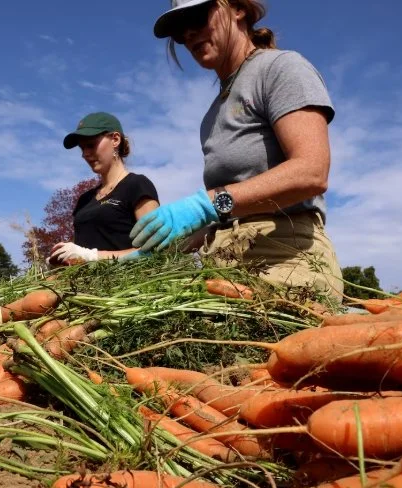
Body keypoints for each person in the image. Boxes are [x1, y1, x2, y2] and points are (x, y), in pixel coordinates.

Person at [131, 0, 343, 300]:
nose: (189, 34)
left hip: (287, 260)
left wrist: (205, 204)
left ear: (237, 9)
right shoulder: (212, 115)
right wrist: (160, 247)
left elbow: (311, 172)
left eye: (197, 16)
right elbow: (229, 216)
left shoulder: (280, 68)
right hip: (224, 266)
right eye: (179, 31)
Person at [49, 112, 160, 264]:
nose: (85, 154)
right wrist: (64, 260)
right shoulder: (84, 200)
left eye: (91, 145)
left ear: (115, 139)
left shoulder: (137, 185)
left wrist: (92, 257)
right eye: (82, 148)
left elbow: (154, 251)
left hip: (127, 285)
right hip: (85, 287)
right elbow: (81, 253)